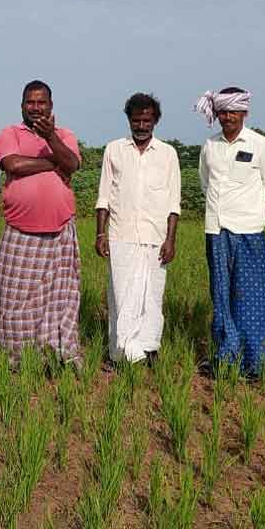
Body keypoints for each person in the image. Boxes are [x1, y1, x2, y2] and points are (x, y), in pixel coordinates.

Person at [195, 87, 265, 378]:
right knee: (221, 295)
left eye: (233, 111)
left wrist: (253, 221)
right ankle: (225, 359)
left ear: (245, 113)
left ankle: (255, 364)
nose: (228, 117)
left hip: (249, 233)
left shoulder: (261, 146)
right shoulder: (210, 146)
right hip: (216, 231)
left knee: (253, 298)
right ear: (217, 114)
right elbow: (206, 185)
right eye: (222, 111)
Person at [0, 80, 83, 365]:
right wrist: (54, 164)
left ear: (51, 106)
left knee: (60, 299)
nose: (35, 107)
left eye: (41, 102)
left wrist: (51, 140)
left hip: (59, 232)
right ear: (22, 105)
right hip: (21, 232)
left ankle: (58, 354)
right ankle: (16, 357)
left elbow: (72, 165)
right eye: (30, 102)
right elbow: (13, 165)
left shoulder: (65, 135)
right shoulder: (10, 133)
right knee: (14, 299)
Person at [94, 92, 180, 366]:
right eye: (136, 120)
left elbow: (173, 203)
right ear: (129, 120)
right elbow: (104, 196)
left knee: (152, 296)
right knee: (121, 295)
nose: (142, 126)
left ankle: (149, 348)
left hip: (155, 238)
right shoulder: (114, 150)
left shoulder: (168, 154)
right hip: (121, 236)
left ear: (155, 121)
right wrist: (100, 233)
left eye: (147, 120)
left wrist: (171, 240)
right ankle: (120, 354)